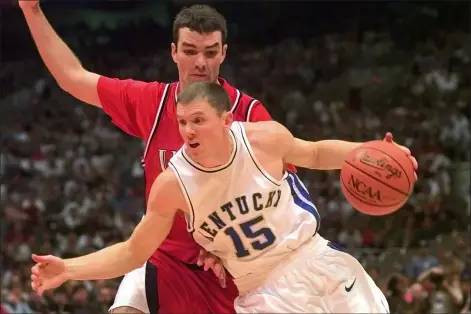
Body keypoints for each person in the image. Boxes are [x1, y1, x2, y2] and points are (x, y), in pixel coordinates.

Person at [31, 81, 418, 313]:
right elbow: (134, 252)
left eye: (198, 120)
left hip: (317, 259)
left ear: (227, 120)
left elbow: (315, 152)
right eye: (182, 122)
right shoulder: (173, 185)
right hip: (262, 291)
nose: (188, 130)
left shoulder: (263, 139)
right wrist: (69, 269)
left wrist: (372, 152)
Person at [19, 1, 283, 313]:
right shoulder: (153, 102)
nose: (201, 61)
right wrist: (31, 10)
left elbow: (284, 200)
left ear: (223, 53)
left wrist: (232, 242)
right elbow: (71, 76)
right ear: (174, 52)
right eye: (190, 50)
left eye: (210, 52)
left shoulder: (250, 114)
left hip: (233, 273)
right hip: (162, 259)